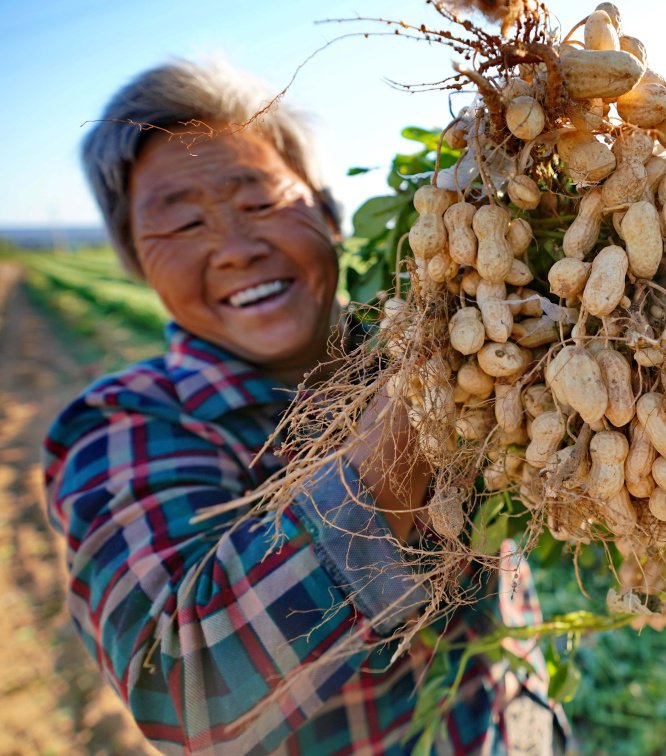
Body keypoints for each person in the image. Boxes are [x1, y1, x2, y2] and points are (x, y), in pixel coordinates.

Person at [42, 60, 564, 754]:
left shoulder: (458, 333)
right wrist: (404, 432)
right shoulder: (122, 428)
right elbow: (181, 694)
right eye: (184, 224)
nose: (236, 248)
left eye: (260, 203)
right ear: (138, 265)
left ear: (328, 212)